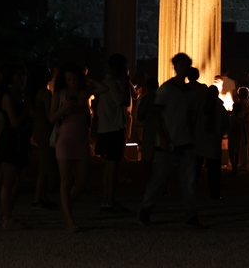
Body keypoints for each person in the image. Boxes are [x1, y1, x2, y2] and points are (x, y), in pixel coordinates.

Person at [139, 52, 207, 229]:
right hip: (169, 142)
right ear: (176, 67)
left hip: (184, 141)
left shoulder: (187, 92)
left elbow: (190, 116)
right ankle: (146, 209)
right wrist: (162, 138)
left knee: (188, 181)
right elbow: (157, 115)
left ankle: (191, 215)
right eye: (181, 65)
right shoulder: (167, 89)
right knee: (160, 179)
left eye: (186, 66)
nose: (184, 69)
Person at [49, 62, 90, 232]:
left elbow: (103, 88)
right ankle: (69, 219)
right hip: (65, 139)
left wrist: (88, 81)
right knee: (66, 180)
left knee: (80, 183)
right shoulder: (60, 93)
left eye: (74, 79)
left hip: (81, 139)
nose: (72, 83)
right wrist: (64, 109)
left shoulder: (84, 92)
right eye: (68, 79)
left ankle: (65, 207)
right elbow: (51, 118)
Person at [90, 53, 132, 214]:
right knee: (113, 166)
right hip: (113, 128)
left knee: (109, 165)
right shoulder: (113, 84)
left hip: (107, 127)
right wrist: (126, 82)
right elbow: (126, 101)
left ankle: (107, 200)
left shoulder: (107, 83)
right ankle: (110, 201)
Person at [0, 64, 30, 229]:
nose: (22, 78)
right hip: (11, 138)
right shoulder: (8, 97)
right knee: (9, 180)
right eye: (19, 75)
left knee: (18, 181)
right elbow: (14, 122)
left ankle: (8, 214)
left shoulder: (19, 95)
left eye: (23, 75)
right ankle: (7, 217)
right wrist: (27, 109)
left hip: (20, 138)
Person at [193, 79, 230, 201]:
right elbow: (226, 124)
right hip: (213, 142)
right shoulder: (220, 108)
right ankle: (214, 194)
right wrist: (221, 134)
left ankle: (190, 191)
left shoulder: (200, 107)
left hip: (199, 141)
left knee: (195, 170)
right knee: (214, 171)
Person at [29, 64, 57, 211]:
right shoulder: (46, 94)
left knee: (43, 165)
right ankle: (38, 198)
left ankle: (41, 196)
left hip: (39, 129)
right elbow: (49, 115)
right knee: (45, 167)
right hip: (46, 130)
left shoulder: (34, 93)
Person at [228, 86, 249, 171]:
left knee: (244, 146)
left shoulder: (242, 103)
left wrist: (231, 114)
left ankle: (244, 164)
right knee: (248, 146)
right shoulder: (248, 102)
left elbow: (240, 115)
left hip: (246, 125)